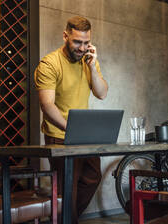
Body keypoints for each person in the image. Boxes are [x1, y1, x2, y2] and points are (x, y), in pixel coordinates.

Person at [34, 16, 108, 223]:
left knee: (93, 178)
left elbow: (102, 93)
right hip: (59, 135)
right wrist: (72, 129)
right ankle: (67, 218)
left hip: (84, 136)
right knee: (69, 190)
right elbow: (47, 105)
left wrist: (93, 67)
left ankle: (64, 218)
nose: (82, 48)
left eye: (86, 43)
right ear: (65, 36)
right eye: (77, 42)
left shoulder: (89, 61)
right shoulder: (49, 63)